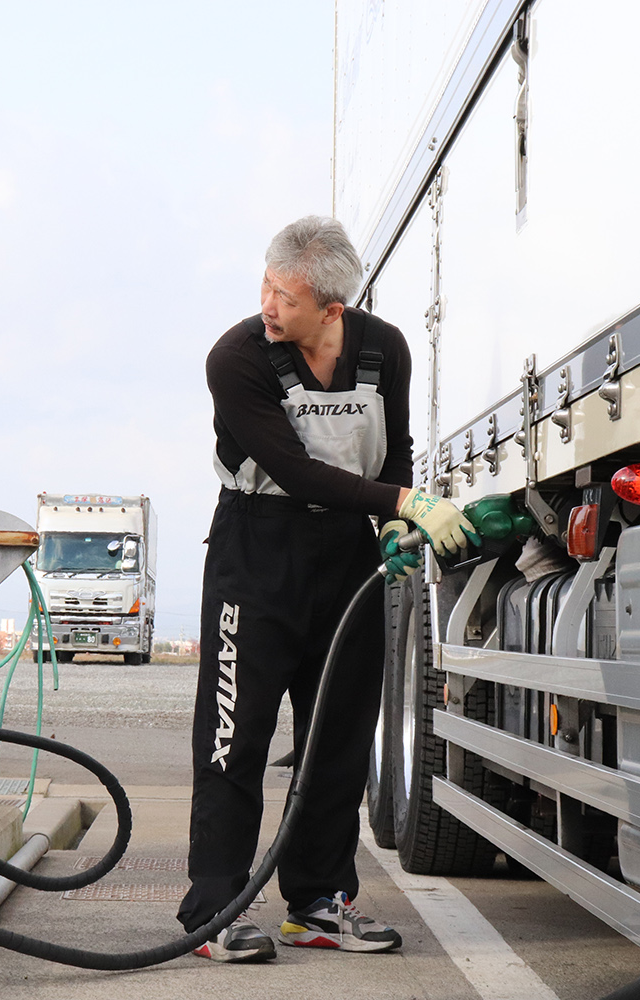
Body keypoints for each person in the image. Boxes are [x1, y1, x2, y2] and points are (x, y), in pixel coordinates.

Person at [178, 216, 479, 962]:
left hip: (348, 557)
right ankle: (213, 908)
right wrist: (403, 506)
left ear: (333, 309)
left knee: (337, 739)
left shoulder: (385, 351)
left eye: (285, 295)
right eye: (266, 286)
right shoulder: (237, 358)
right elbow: (297, 470)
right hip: (258, 553)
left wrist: (388, 521)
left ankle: (318, 902)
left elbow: (396, 450)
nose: (268, 304)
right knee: (234, 737)